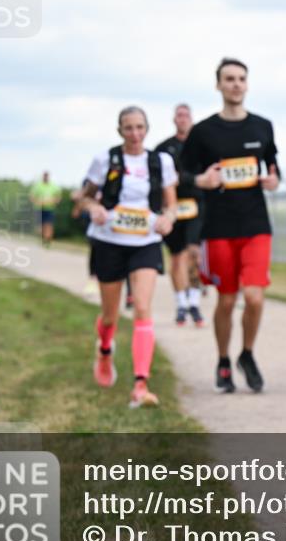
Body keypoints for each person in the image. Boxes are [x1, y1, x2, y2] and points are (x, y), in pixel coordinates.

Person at [183, 58, 280, 394]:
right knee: (226, 301)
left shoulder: (262, 127)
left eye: (241, 78)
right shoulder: (203, 132)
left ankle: (247, 355)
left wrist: (273, 180)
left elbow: (272, 166)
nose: (236, 84)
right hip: (219, 228)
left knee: (254, 297)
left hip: (256, 225)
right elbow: (182, 176)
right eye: (229, 79)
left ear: (247, 84)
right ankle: (223, 360)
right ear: (218, 85)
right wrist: (201, 180)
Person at [78, 106, 179, 408]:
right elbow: (82, 197)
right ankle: (105, 349)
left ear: (147, 129)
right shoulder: (105, 160)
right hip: (109, 241)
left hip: (145, 241)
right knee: (110, 316)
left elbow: (171, 204)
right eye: (128, 128)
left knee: (143, 309)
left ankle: (140, 384)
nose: (135, 134)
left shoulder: (160, 162)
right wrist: (92, 208)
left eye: (140, 127)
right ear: (119, 131)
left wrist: (169, 219)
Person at [155, 104, 205, 327]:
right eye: (179, 116)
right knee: (176, 257)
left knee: (193, 253)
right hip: (172, 207)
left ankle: (194, 302)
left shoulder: (202, 144)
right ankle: (181, 303)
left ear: (191, 119)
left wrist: (184, 178)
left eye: (186, 116)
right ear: (174, 120)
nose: (183, 119)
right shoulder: (164, 148)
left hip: (196, 206)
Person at [30, 171, 61, 247]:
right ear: (42, 176)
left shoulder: (54, 186)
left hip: (50, 209)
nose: (46, 177)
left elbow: (58, 198)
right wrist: (37, 202)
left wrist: (53, 201)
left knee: (49, 225)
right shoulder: (38, 186)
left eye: (47, 176)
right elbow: (32, 197)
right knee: (40, 227)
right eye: (44, 176)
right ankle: (43, 239)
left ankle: (47, 241)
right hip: (39, 209)